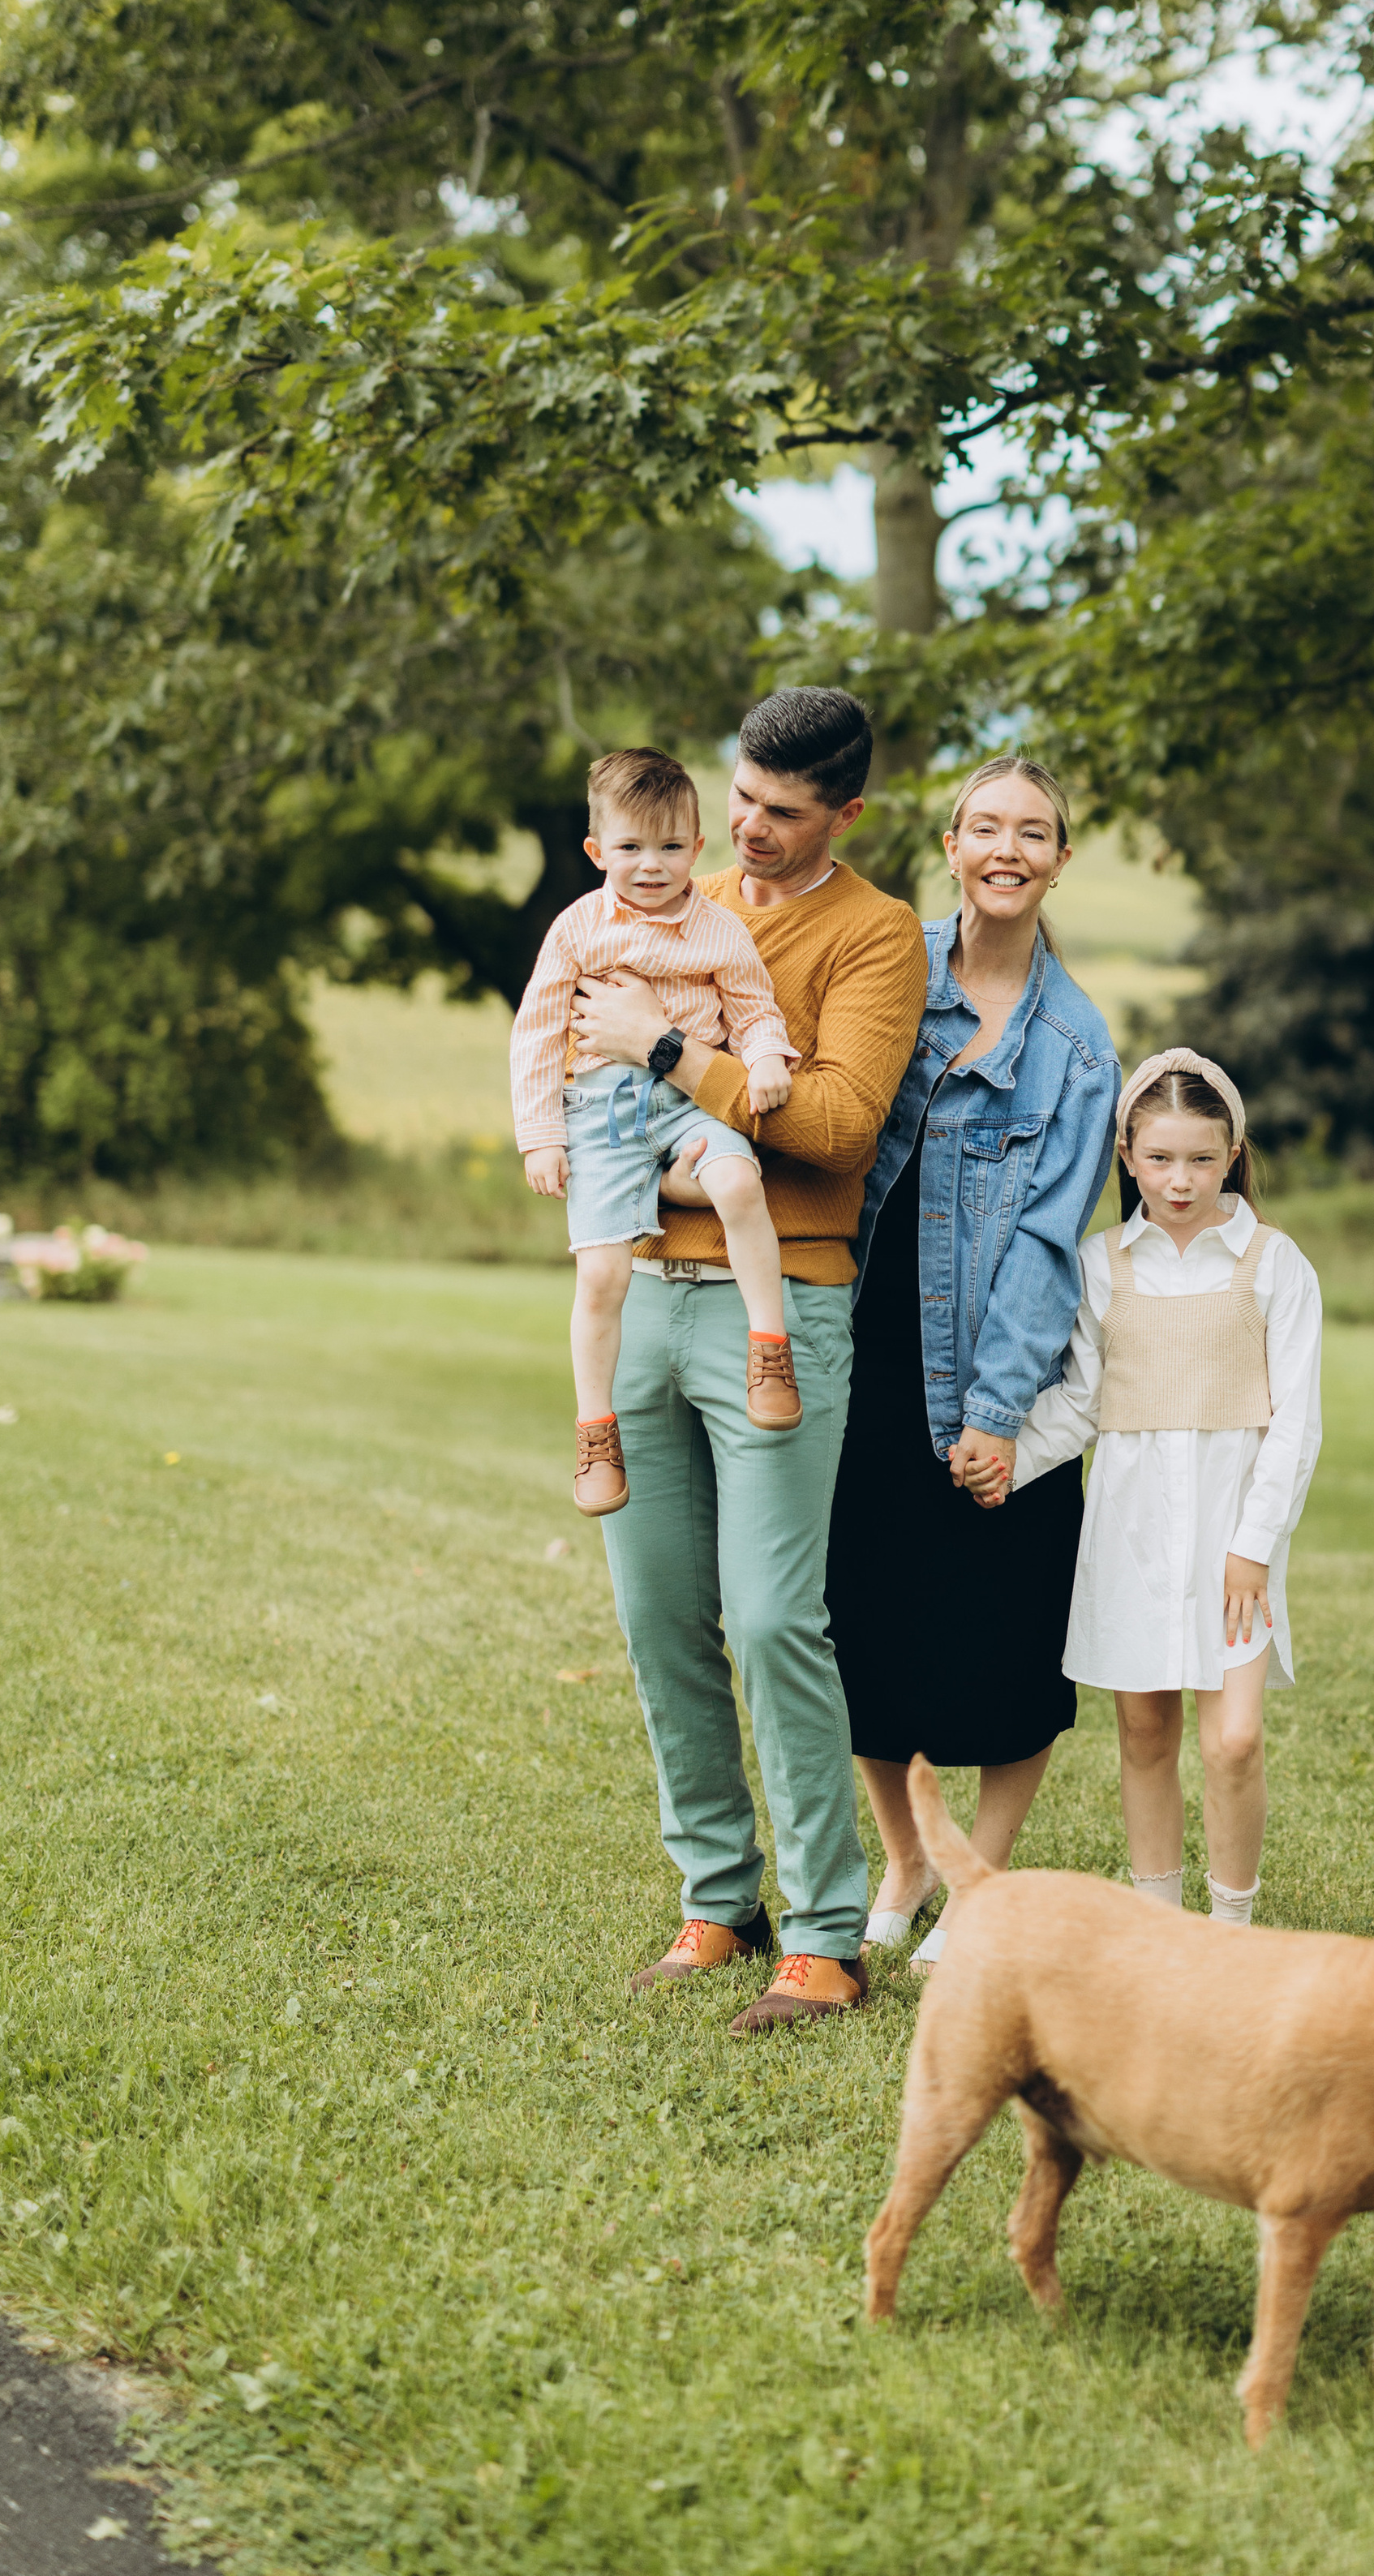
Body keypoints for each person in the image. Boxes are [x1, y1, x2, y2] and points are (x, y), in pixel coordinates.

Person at [566, 689, 927, 2036]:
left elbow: (833, 1126)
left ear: (845, 811)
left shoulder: (878, 936)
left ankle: (828, 1940)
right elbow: (575, 1041)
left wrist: (668, 1052)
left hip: (784, 1305)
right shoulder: (677, 896)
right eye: (743, 800)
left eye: (784, 812)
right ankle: (719, 1900)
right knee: (660, 1615)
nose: (749, 831)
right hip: (639, 1290)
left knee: (776, 1619)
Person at [827, 755, 1119, 1973]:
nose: (1008, 849)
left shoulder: (1077, 1045)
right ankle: (905, 1855)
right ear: (950, 844)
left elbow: (1052, 1241)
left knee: (1010, 1631)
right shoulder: (892, 967)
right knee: (858, 1621)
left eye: (1034, 832)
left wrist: (999, 1411)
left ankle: (982, 1879)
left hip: (999, 1366)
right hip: (862, 1344)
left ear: (1059, 859)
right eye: (985, 827)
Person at [983, 1050, 1323, 1928]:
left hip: (1232, 1545)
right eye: (1161, 1158)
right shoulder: (1103, 1265)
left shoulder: (1273, 1263)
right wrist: (1004, 1463)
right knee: (1143, 1734)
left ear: (1233, 1152)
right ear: (1128, 1156)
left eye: (1202, 1159)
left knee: (1235, 1741)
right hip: (1131, 1531)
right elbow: (1081, 1404)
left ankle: (1231, 1931)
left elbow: (1295, 1422)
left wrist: (1252, 1548)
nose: (1181, 1180)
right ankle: (1161, 1929)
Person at [509, 748, 807, 1518]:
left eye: (671, 848)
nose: (652, 866)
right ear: (596, 851)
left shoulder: (721, 932)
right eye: (632, 848)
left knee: (740, 1183)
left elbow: (753, 1007)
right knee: (602, 1276)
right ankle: (595, 1430)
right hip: (602, 1111)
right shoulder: (579, 929)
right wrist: (541, 1135)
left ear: (697, 848)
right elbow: (538, 1033)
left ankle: (768, 1349)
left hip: (690, 1105)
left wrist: (769, 1054)